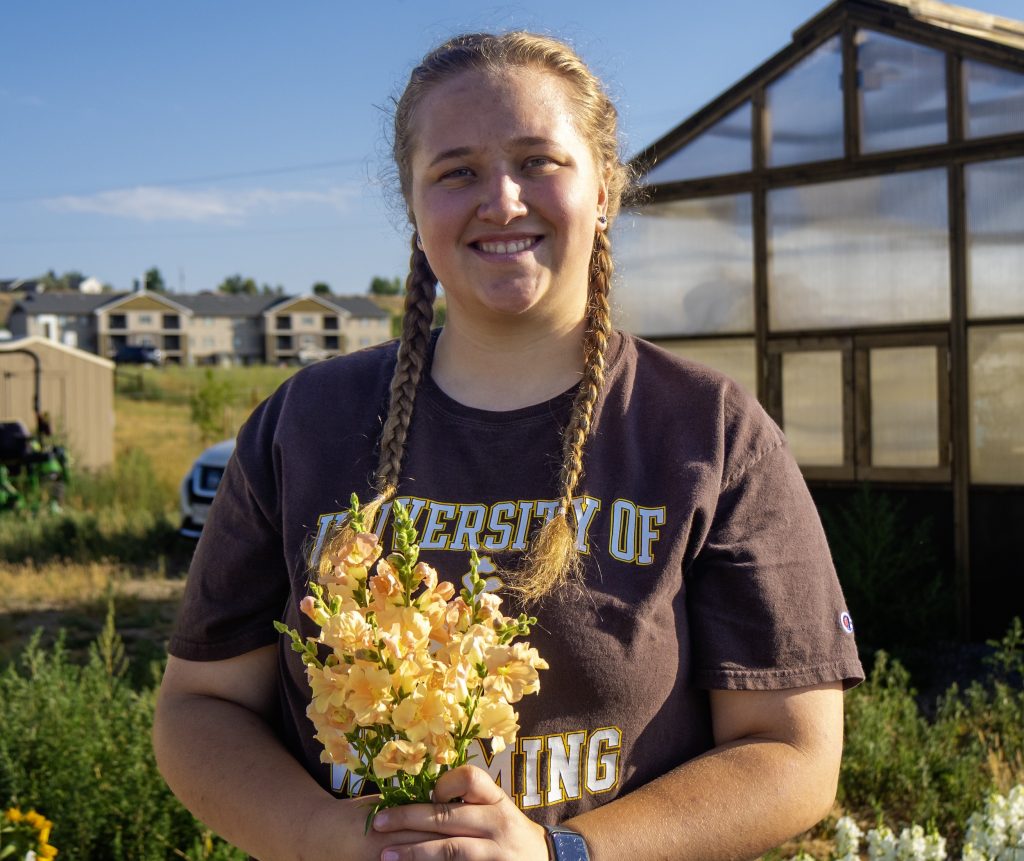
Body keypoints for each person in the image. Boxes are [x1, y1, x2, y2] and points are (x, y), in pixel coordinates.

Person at [153, 31, 864, 861]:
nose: (501, 200)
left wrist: (563, 853)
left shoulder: (708, 432)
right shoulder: (306, 421)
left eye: (538, 161)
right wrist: (335, 839)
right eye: (455, 172)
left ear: (604, 190)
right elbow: (199, 707)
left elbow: (793, 753)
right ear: (415, 210)